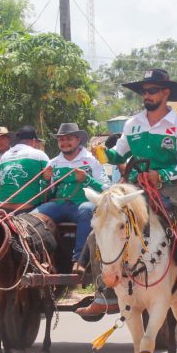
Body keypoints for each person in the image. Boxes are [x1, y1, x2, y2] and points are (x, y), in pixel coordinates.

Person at [95, 69, 177, 317]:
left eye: (152, 90)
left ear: (166, 93)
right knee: (101, 225)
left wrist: (162, 175)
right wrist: (102, 153)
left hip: (172, 188)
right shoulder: (133, 124)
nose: (147, 95)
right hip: (135, 190)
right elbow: (118, 154)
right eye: (144, 91)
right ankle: (103, 290)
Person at [36, 123, 113, 317]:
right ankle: (36, 260)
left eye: (69, 138)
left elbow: (106, 189)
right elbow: (46, 192)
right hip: (59, 204)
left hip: (83, 204)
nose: (64, 142)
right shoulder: (54, 163)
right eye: (61, 139)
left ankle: (78, 260)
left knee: (87, 210)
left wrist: (87, 179)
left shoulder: (91, 161)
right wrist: (45, 180)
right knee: (33, 215)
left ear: (78, 140)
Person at [0, 126, 50, 213]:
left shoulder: (4, 156)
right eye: (37, 143)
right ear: (33, 141)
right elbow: (51, 185)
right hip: (26, 209)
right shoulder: (40, 155)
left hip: (2, 208)